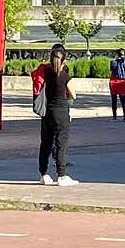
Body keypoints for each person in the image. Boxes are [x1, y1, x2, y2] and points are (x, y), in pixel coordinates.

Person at [33, 44, 78, 187]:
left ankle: (44, 174)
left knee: (45, 143)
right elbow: (73, 95)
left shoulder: (45, 74)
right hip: (61, 113)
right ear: (64, 60)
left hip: (47, 113)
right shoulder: (65, 76)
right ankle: (62, 175)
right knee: (60, 144)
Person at [110, 49, 125, 120]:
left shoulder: (113, 62)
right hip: (122, 81)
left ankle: (114, 116)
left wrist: (115, 59)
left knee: (114, 99)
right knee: (123, 99)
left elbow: (112, 69)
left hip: (114, 80)